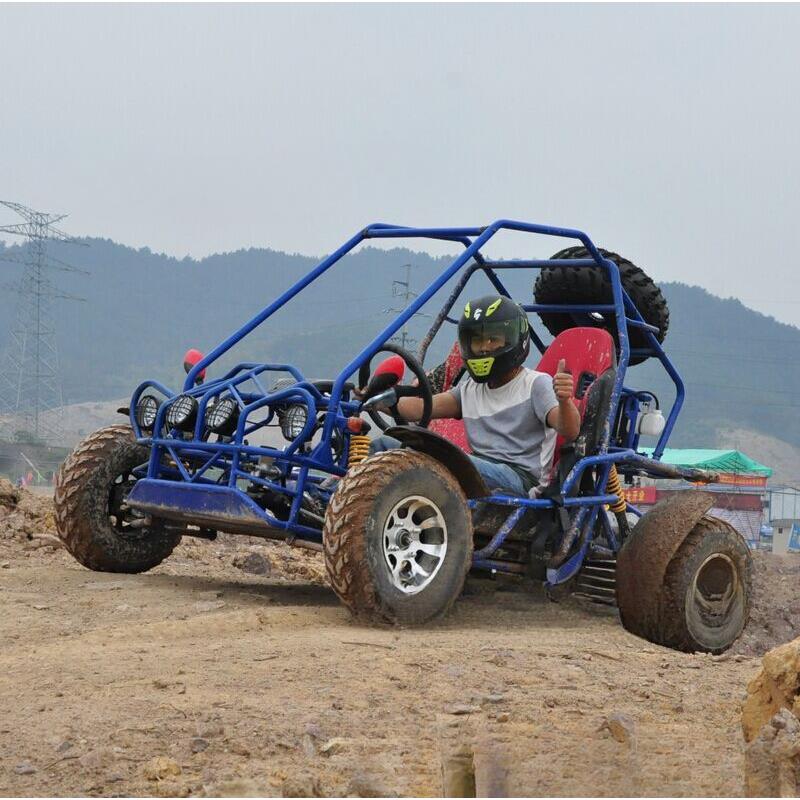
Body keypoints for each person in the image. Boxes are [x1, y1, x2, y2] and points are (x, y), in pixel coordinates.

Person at [367, 295, 581, 495]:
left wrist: (563, 401)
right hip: (476, 470)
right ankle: (357, 516)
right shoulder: (470, 390)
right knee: (384, 446)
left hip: (519, 479)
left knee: (440, 459)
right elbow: (419, 409)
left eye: (493, 339)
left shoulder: (535, 384)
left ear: (515, 339)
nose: (484, 348)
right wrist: (372, 398)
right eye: (477, 341)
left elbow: (570, 430)